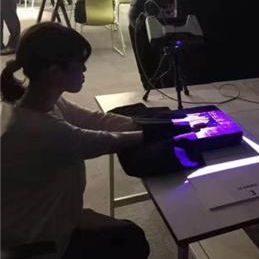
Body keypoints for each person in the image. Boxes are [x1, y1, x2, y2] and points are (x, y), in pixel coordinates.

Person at [1, 22, 150, 259]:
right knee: (133, 241)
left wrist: (147, 122)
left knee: (129, 234)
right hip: (40, 242)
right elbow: (108, 140)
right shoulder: (42, 129)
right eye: (79, 63)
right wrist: (159, 131)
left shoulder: (38, 100)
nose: (85, 69)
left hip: (53, 216)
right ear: (54, 73)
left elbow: (94, 120)